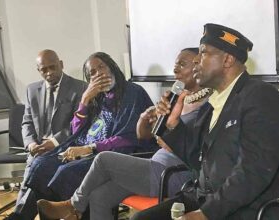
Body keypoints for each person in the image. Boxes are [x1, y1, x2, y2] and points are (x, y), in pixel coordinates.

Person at [130, 23, 279, 219]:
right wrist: (173, 125)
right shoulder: (211, 105)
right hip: (209, 198)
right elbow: (199, 160)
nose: (196, 59)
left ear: (228, 59)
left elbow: (254, 173)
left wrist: (206, 213)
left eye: (203, 53)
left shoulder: (261, 97)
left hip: (252, 208)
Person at [35, 48, 212, 220]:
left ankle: (73, 207)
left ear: (198, 67)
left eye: (182, 64)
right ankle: (69, 208)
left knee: (103, 159)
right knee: (99, 197)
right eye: (175, 64)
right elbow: (142, 135)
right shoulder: (178, 99)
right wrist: (144, 118)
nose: (174, 69)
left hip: (174, 174)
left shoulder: (208, 106)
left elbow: (195, 151)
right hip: (154, 163)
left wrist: (168, 135)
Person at [22, 51, 154, 219]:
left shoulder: (132, 92)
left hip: (117, 153)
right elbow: (76, 131)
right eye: (93, 73)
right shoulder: (96, 96)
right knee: (41, 164)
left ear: (112, 67)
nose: (99, 74)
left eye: (101, 67)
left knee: (66, 172)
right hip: (86, 149)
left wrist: (89, 148)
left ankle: (72, 211)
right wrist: (84, 100)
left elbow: (129, 137)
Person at [5, 49, 87, 220]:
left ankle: (18, 217)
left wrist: (54, 142)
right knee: (29, 187)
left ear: (61, 65)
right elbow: (27, 122)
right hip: (37, 151)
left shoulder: (80, 88)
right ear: (38, 70)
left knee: (36, 183)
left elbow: (78, 125)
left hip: (63, 150)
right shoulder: (32, 90)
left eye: (53, 67)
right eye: (44, 69)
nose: (49, 73)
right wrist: (31, 144)